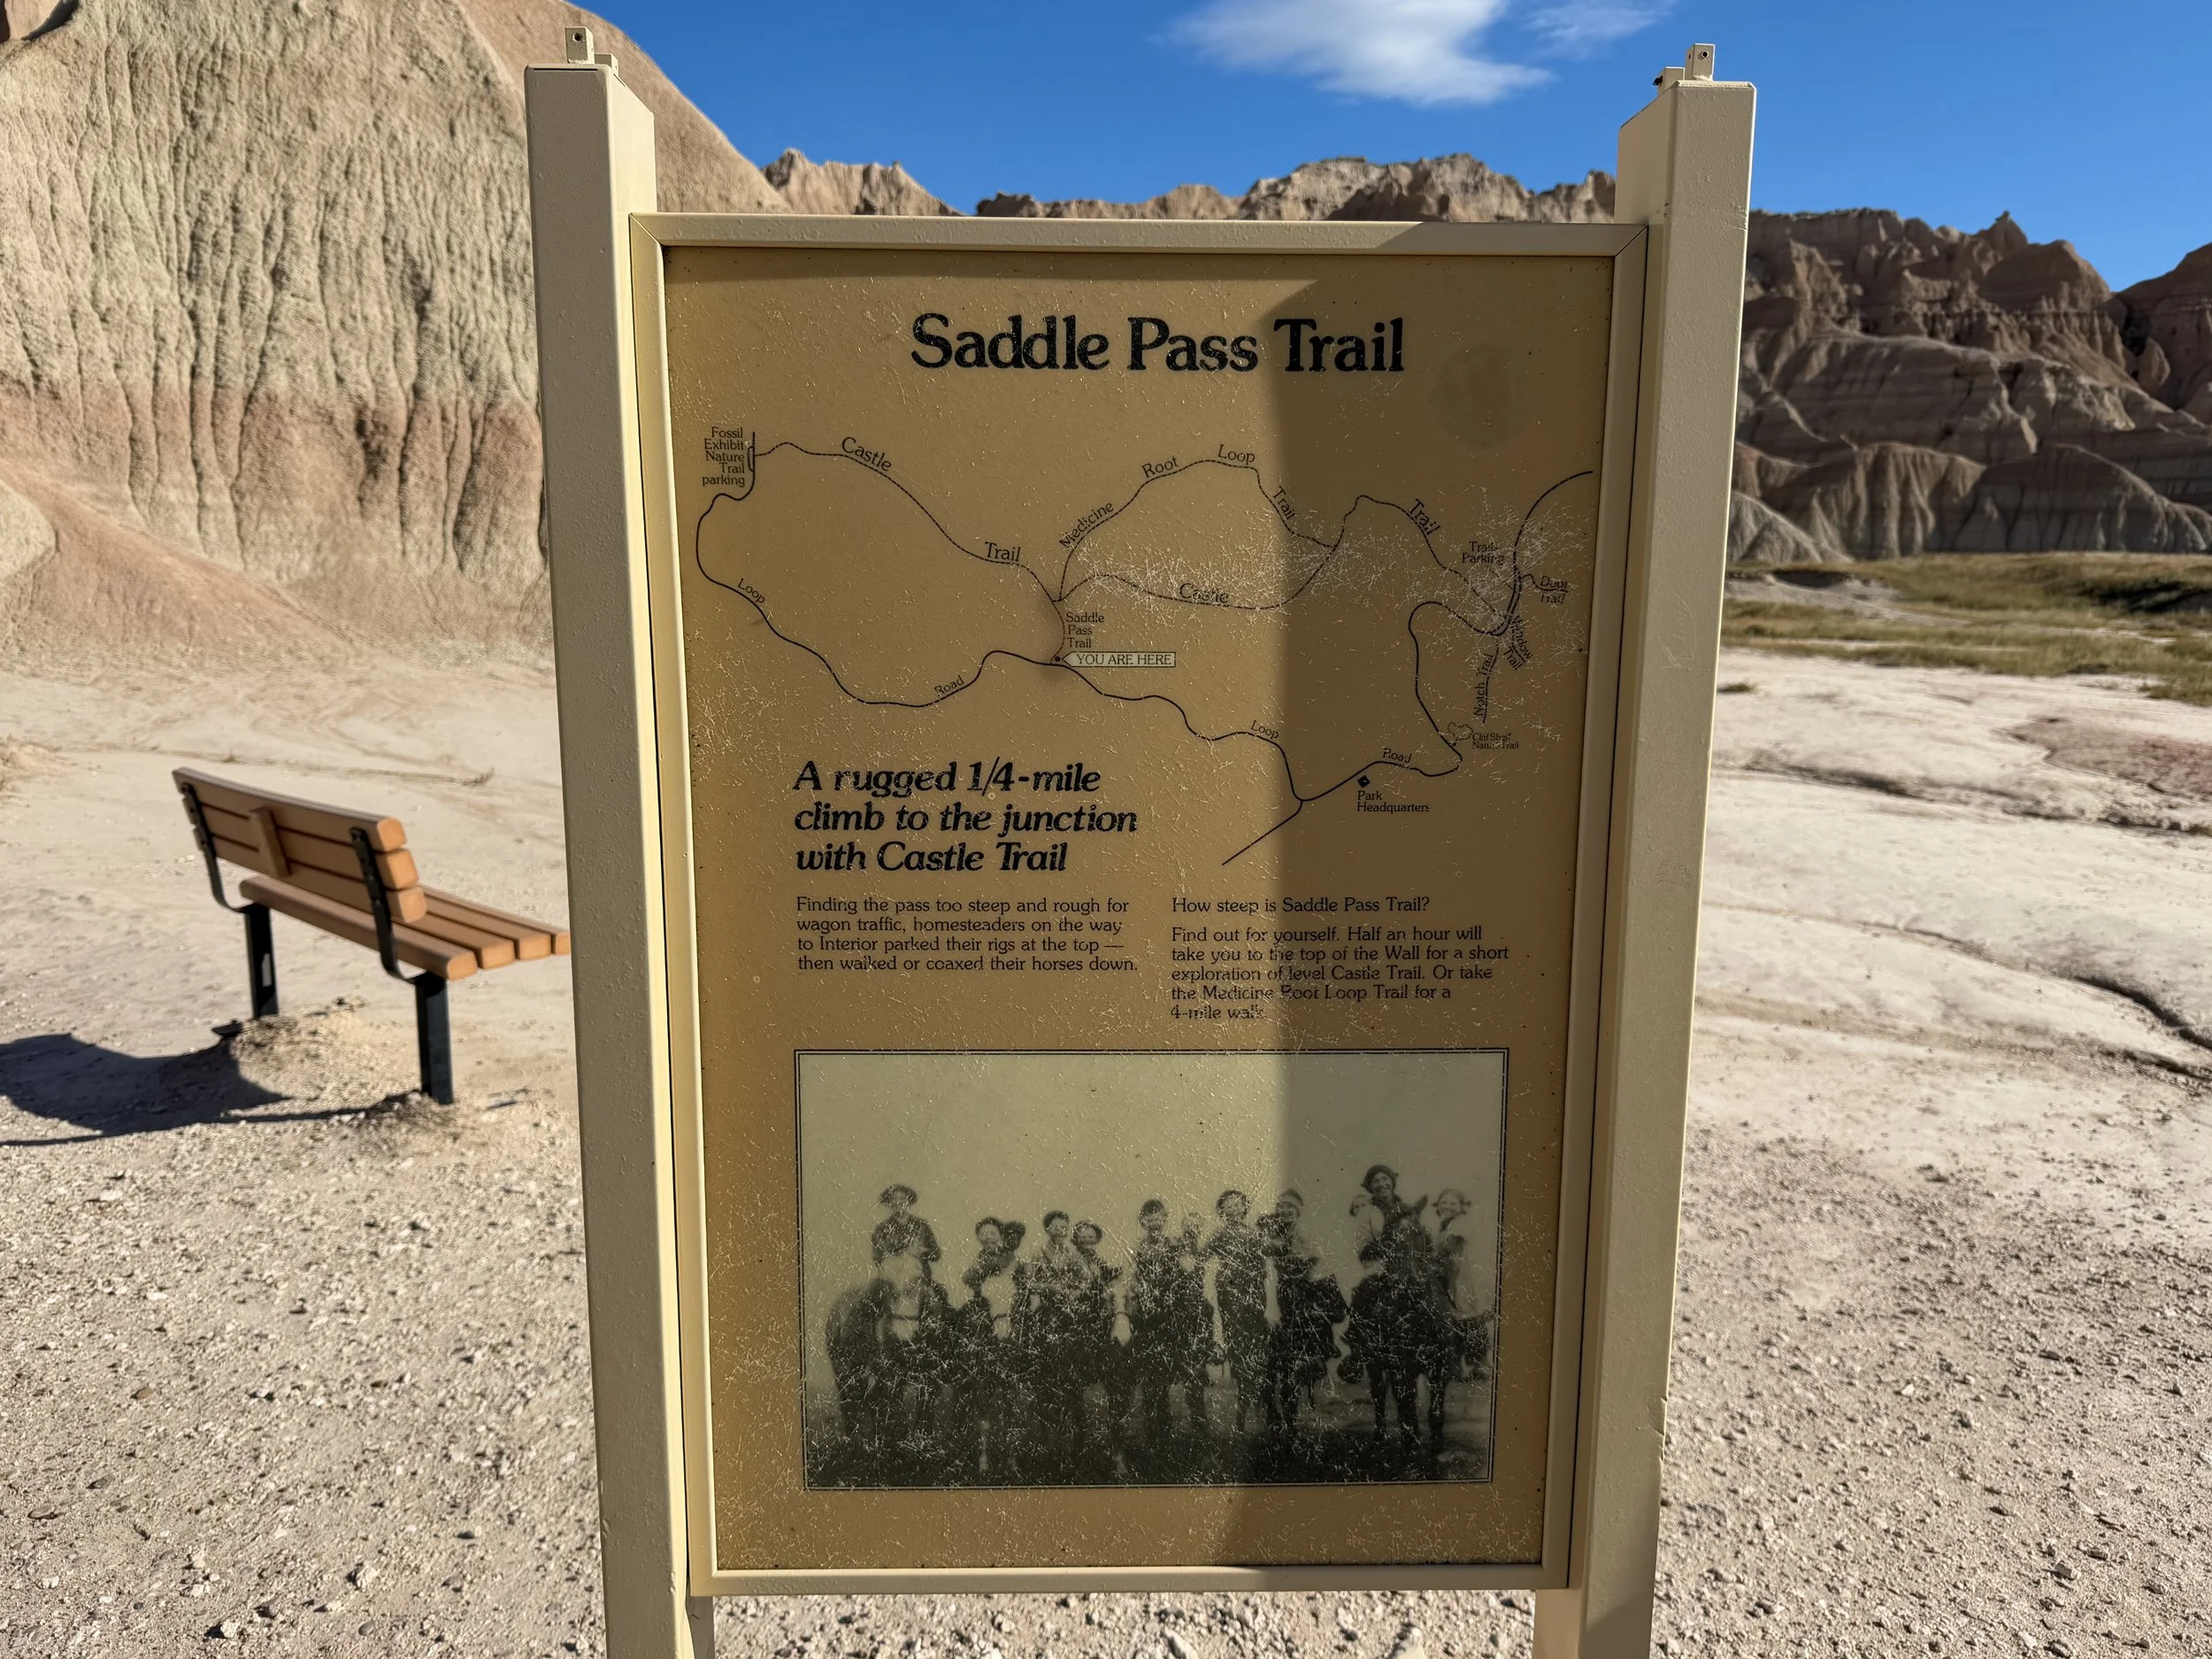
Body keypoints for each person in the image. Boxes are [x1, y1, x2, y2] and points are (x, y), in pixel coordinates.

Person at [1347, 1164, 1436, 1442]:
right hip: (1380, 1270)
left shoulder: (1409, 1208)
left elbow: (1423, 1238)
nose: (1381, 1184)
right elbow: (1362, 1247)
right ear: (1370, 1187)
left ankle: (1441, 1350)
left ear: (1393, 1182)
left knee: (1435, 1299)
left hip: (1410, 1271)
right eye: (1375, 1181)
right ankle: (1358, 1348)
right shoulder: (1367, 1213)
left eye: (1385, 1179)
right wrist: (1388, 1245)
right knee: (1364, 1293)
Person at [1125, 1198, 1206, 1455]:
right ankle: (1155, 1435)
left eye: (1158, 1216)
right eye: (1149, 1217)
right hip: (1148, 1319)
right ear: (1143, 1221)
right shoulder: (1137, 1247)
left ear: (1165, 1219)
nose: (1154, 1221)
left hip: (1173, 1316)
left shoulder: (1174, 1244)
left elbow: (1191, 1268)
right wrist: (1140, 1297)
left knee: (1189, 1373)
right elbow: (1134, 1279)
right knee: (1152, 1380)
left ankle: (1201, 1440)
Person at [1258, 1189, 1344, 1430]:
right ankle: (1280, 1415)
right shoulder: (1271, 1235)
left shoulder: (1306, 1233)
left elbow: (1316, 1262)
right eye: (1281, 1207)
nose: (1284, 1211)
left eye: (1290, 1207)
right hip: (1283, 1295)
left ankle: (1293, 1417)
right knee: (1279, 1363)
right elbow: (1268, 1266)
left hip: (1304, 1293)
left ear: (1298, 1211)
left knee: (1304, 1357)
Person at [1203, 1189, 1270, 1433]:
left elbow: (1265, 1265)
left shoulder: (1255, 1234)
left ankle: (1260, 1403)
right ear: (1222, 1211)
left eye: (1237, 1204)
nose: (1232, 1209)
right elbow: (1202, 1255)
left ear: (1245, 1207)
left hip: (1253, 1295)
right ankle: (1241, 1411)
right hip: (1229, 1296)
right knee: (1238, 1350)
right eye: (1227, 1206)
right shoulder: (1220, 1234)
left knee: (1257, 1347)